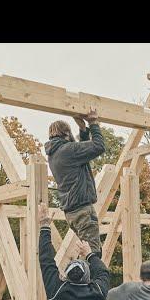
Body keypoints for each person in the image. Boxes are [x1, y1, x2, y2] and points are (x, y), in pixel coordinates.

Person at [45, 109, 105, 256]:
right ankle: (93, 279)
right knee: (93, 255)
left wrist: (83, 130)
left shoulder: (54, 153)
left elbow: (82, 153)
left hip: (72, 212)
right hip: (82, 211)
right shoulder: (68, 150)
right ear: (67, 133)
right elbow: (98, 146)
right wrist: (93, 123)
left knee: (90, 252)